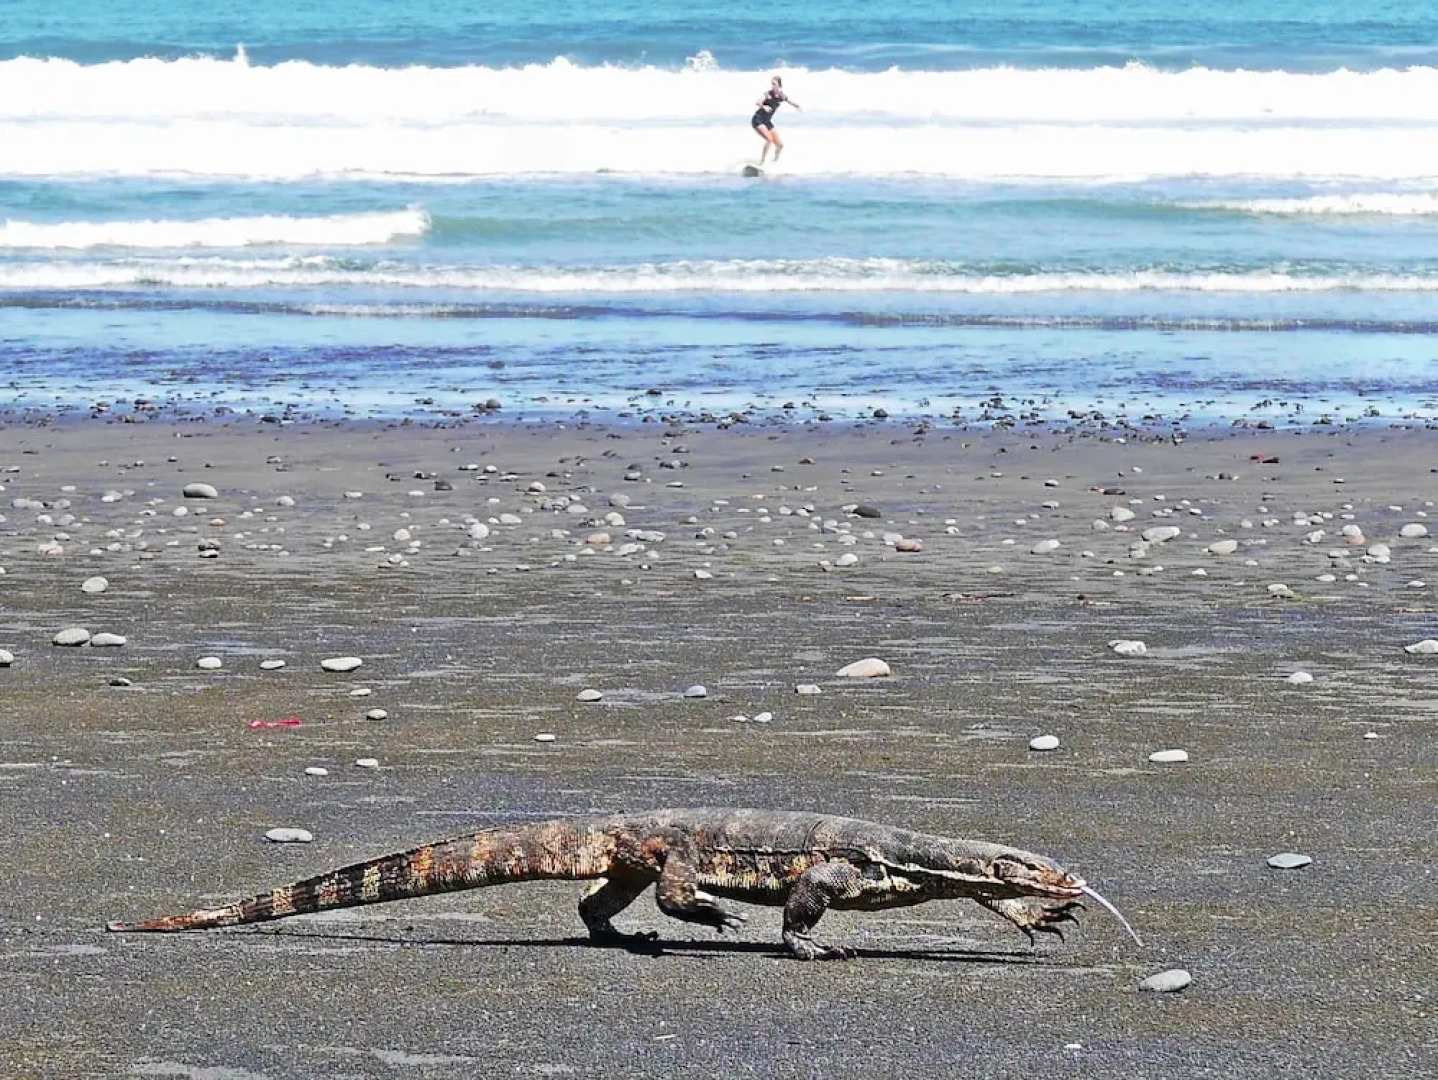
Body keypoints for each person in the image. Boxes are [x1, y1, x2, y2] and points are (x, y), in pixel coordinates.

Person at [751, 75, 800, 165]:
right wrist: (764, 106)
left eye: (774, 84)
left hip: (767, 122)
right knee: (769, 139)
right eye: (772, 84)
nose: (772, 86)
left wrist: (797, 106)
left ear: (779, 85)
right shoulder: (767, 94)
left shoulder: (781, 95)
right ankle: (762, 162)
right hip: (758, 120)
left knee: (780, 145)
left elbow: (789, 100)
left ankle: (774, 162)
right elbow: (758, 102)